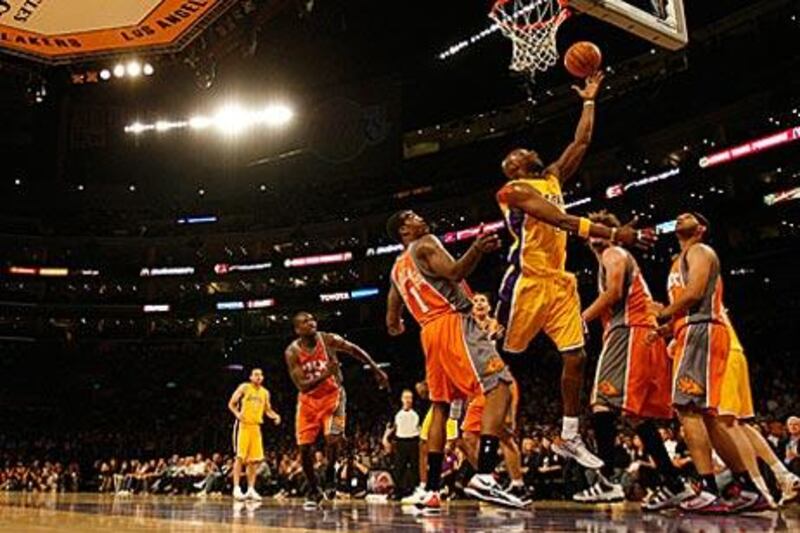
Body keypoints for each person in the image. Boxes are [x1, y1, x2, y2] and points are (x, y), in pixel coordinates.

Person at [494, 72, 654, 468]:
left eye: (520, 151)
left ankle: (568, 436)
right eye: (512, 156)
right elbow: (563, 223)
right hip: (526, 283)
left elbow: (580, 142)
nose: (519, 152)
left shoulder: (551, 177)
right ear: (513, 171)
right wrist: (616, 234)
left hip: (560, 283)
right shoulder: (513, 192)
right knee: (500, 363)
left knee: (578, 356)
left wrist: (589, 101)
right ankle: (482, 448)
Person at [385, 209, 524, 511]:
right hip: (454, 322)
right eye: (410, 216)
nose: (419, 217)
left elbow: (391, 319)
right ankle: (485, 474)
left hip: (428, 333)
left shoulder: (397, 268)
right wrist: (476, 247)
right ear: (403, 231)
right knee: (499, 386)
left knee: (440, 406)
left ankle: (432, 489)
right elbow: (455, 271)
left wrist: (397, 323)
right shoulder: (425, 243)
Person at [650, 212, 773, 512]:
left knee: (687, 408)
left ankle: (706, 489)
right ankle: (744, 488)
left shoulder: (701, 251)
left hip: (703, 329)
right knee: (706, 414)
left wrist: (662, 312)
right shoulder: (675, 263)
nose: (681, 217)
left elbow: (693, 295)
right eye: (678, 216)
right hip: (691, 329)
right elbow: (686, 305)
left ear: (701, 228)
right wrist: (668, 327)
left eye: (689, 216)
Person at [574, 210, 693, 508]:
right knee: (634, 415)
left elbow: (614, 292)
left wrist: (580, 320)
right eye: (590, 232)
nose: (591, 237)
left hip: (628, 332)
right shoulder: (615, 257)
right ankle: (674, 482)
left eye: (597, 230)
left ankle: (608, 481)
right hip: (640, 334)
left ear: (612, 232)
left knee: (602, 403)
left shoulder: (613, 253)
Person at [285, 311, 388, 509]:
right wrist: (326, 373)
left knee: (333, 437)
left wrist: (375, 368)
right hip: (307, 403)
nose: (311, 322)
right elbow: (302, 386)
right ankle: (314, 490)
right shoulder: (292, 352)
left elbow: (353, 349)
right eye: (305, 322)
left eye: (312, 319)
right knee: (304, 449)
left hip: (334, 398)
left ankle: (331, 474)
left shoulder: (328, 339)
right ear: (298, 329)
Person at [720, 312, 800, 505]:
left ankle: (759, 491)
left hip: (721, 355)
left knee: (727, 423)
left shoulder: (691, 287)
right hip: (734, 353)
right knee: (738, 424)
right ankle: (783, 476)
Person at [401, 380, 460, 505]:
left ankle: (488, 477)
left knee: (461, 440)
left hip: (451, 394)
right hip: (443, 398)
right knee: (423, 442)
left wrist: (428, 384)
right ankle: (426, 487)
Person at [228, 368, 281, 501]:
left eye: (261, 375)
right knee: (240, 457)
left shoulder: (265, 393)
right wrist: (237, 414)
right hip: (243, 426)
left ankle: (251, 489)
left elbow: (267, 410)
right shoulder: (244, 387)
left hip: (256, 427)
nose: (259, 377)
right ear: (251, 377)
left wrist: (275, 416)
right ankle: (236, 487)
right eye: (256, 375)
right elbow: (231, 404)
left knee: (254, 460)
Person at [384, 389, 421, 499]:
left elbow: (421, 427)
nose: (408, 400)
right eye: (406, 397)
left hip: (414, 441)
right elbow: (392, 426)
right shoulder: (397, 413)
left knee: (415, 467)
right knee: (399, 468)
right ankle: (398, 491)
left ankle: (416, 490)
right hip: (401, 441)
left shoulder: (417, 412)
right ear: (401, 399)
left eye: (410, 398)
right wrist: (386, 438)